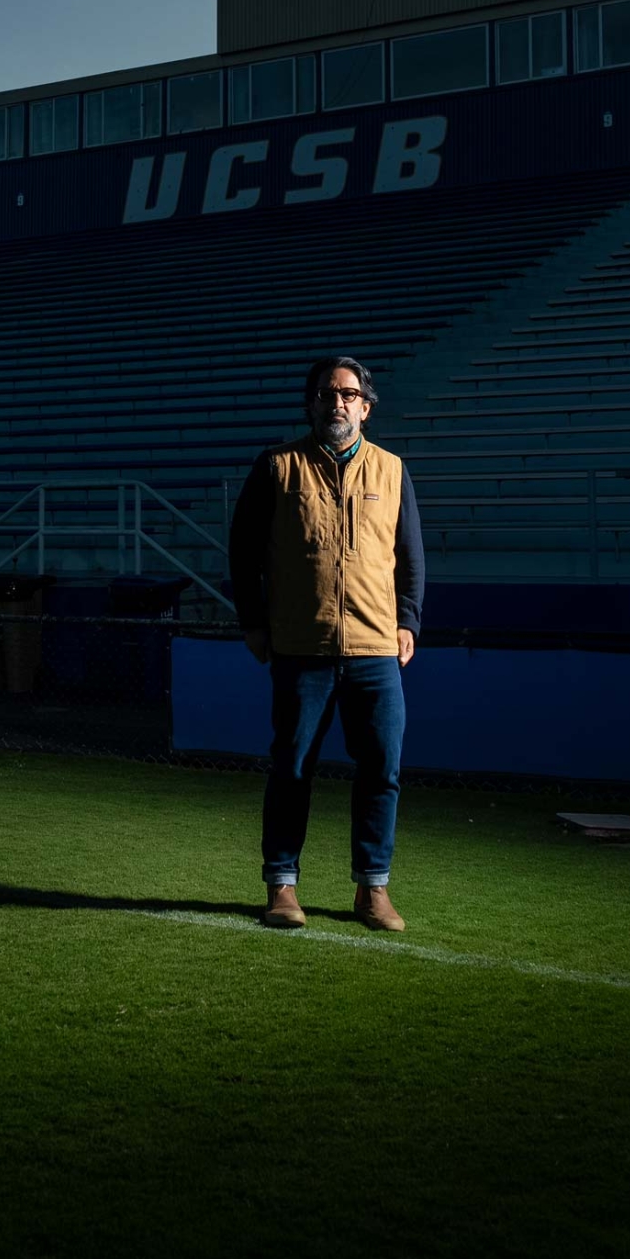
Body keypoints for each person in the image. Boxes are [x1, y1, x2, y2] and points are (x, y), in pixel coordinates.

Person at [228, 356, 425, 932]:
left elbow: (410, 558)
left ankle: (373, 890)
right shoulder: (276, 467)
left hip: (374, 651)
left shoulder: (391, 471)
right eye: (326, 393)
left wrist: (408, 621)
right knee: (291, 767)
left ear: (366, 406)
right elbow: (243, 554)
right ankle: (282, 887)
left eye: (348, 393)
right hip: (300, 646)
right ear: (311, 403)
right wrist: (254, 623)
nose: (336, 402)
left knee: (382, 770)